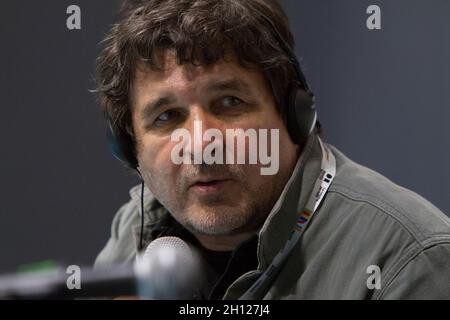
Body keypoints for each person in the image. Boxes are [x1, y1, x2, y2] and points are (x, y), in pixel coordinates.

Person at [94, 0, 450, 299]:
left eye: (229, 102)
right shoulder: (135, 230)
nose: (202, 144)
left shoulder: (407, 258)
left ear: (294, 113)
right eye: (168, 116)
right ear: (129, 146)